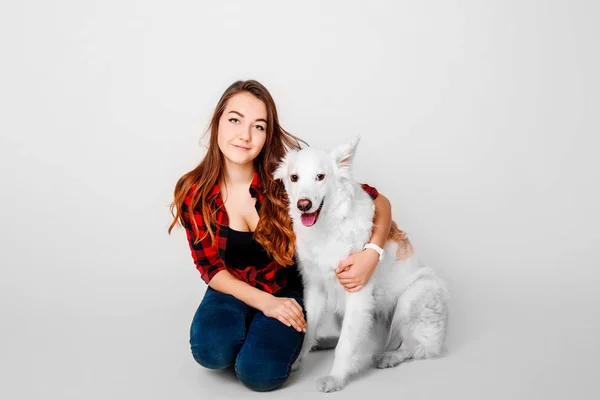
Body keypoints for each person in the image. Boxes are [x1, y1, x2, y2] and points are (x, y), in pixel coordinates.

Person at [168, 79, 393, 392]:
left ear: (267, 134)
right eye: (235, 120)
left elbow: (375, 199)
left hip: (286, 289)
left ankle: (274, 338)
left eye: (258, 126)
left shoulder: (287, 173)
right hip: (232, 286)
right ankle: (250, 325)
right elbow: (210, 269)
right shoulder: (194, 191)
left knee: (259, 374)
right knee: (212, 352)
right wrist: (263, 303)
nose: (245, 136)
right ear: (217, 121)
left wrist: (372, 253)